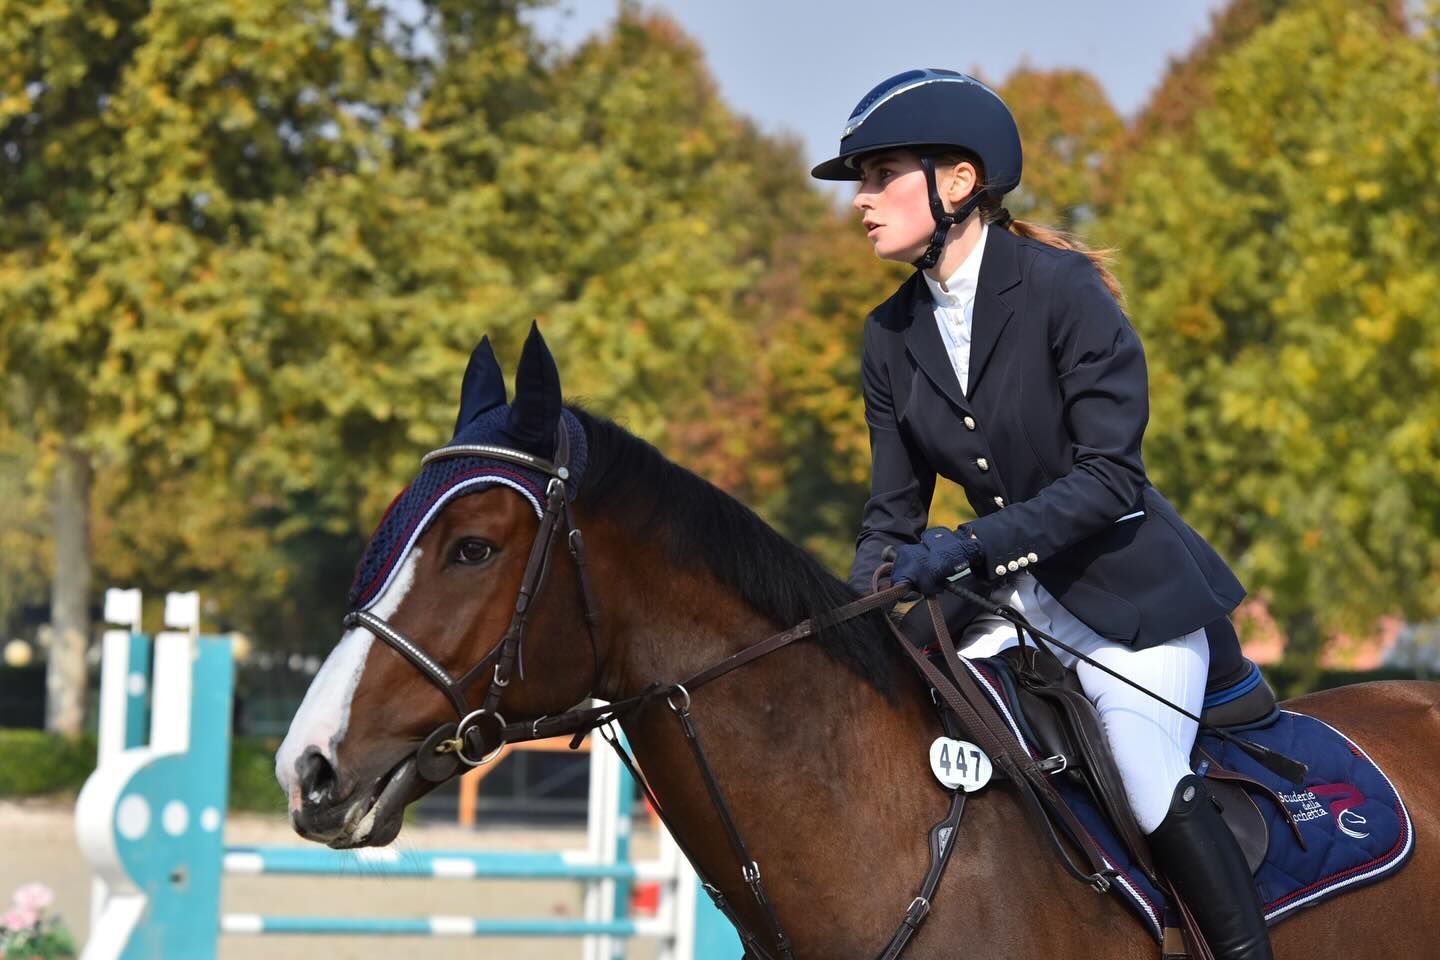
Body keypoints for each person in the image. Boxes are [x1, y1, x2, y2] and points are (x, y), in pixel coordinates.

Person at [813, 69, 1272, 960]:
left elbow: (1110, 479)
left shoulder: (1064, 292)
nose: (862, 201)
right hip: (1002, 609)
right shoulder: (889, 335)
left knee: (1144, 781)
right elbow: (892, 517)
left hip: (1126, 600)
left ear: (959, 181)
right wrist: (844, 618)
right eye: (860, 182)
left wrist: (969, 546)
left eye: (880, 175)